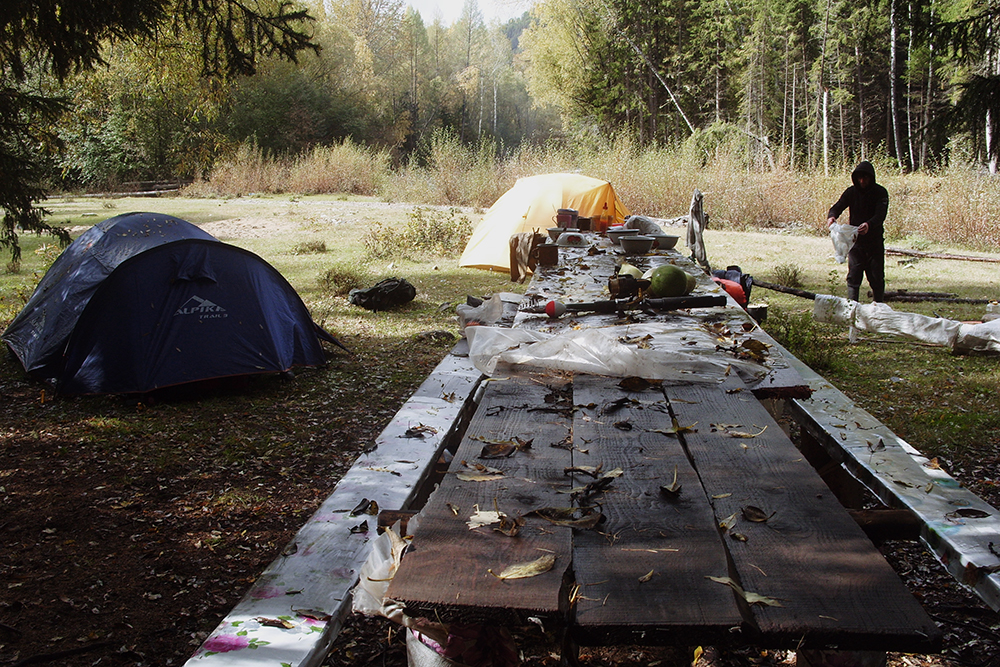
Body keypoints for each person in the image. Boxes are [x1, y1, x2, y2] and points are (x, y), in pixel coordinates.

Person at [827, 161, 889, 302]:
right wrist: (832, 216)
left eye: (865, 178)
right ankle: (852, 308)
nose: (862, 181)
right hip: (855, 242)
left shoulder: (880, 193)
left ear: (871, 178)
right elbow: (838, 205)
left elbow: (880, 214)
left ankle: (878, 309)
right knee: (854, 276)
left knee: (876, 277)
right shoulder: (851, 192)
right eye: (859, 178)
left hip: (874, 242)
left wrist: (869, 224)